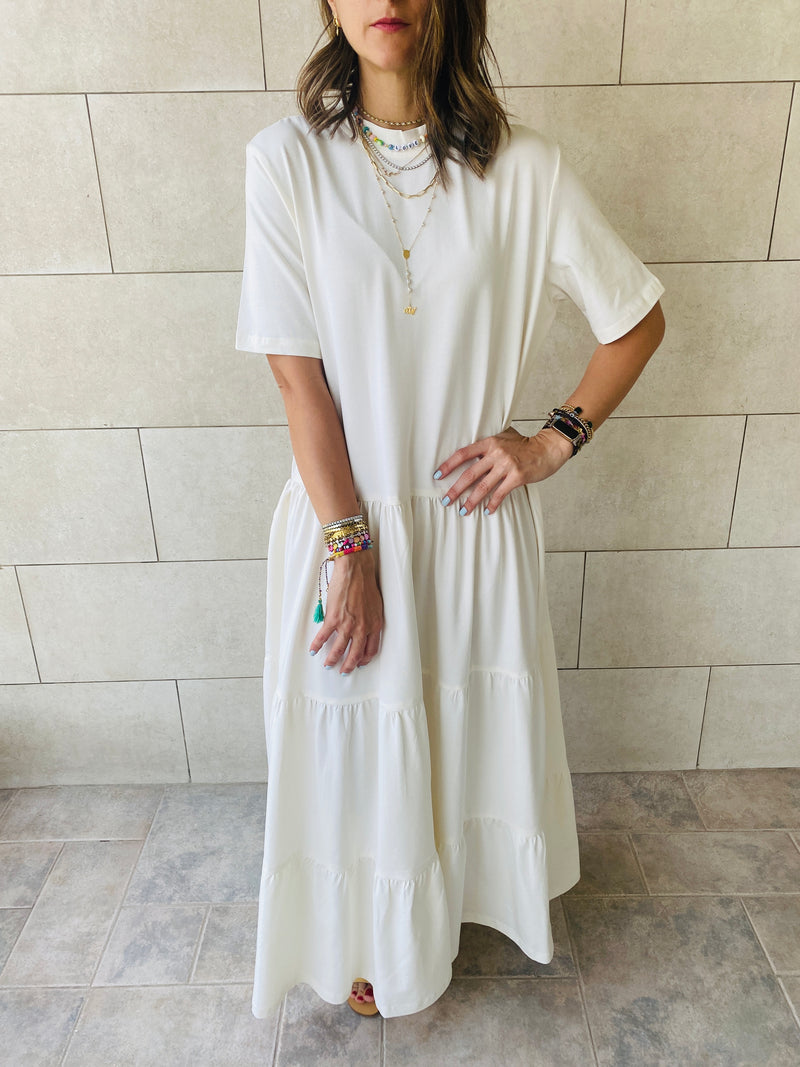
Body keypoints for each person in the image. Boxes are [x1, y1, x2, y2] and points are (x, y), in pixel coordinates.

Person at [235, 0, 665, 1021]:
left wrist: (549, 440)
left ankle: (438, 911)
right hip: (345, 520)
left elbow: (636, 319)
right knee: (353, 739)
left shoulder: (525, 170)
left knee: (457, 734)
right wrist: (350, 548)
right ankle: (367, 933)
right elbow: (298, 379)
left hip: (470, 527)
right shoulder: (285, 161)